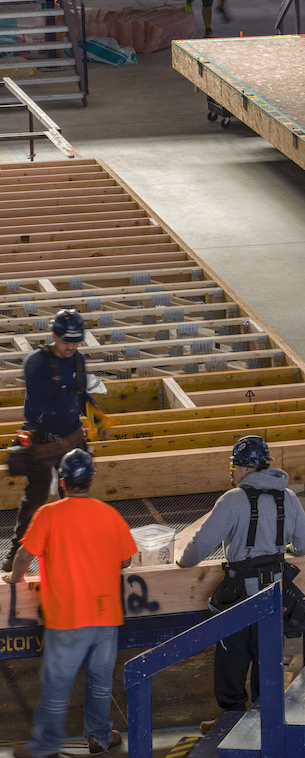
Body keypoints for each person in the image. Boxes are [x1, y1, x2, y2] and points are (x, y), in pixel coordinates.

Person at [4, 448, 137, 758]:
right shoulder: (109, 514)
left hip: (67, 618)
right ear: (91, 480)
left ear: (61, 482)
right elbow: (126, 559)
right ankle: (100, 738)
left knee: (56, 687)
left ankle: (46, 745)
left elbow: (25, 555)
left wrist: (13, 576)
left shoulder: (49, 515)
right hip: (105, 617)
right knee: (100, 684)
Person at [176, 435, 305, 721]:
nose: (230, 472)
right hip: (275, 594)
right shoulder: (287, 497)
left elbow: (199, 547)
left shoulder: (232, 500)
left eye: (233, 465)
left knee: (232, 656)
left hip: (240, 594)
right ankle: (265, 721)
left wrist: (181, 561)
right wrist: (284, 547)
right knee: (267, 656)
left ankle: (231, 719)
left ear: (246, 468)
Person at [5, 309, 105, 574]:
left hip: (71, 437)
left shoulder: (78, 360)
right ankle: (17, 553)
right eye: (65, 341)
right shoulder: (37, 362)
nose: (71, 346)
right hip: (43, 439)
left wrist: (97, 417)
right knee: (35, 499)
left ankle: (77, 552)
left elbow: (80, 396)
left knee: (75, 500)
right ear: (54, 336)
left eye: (75, 341)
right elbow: (37, 407)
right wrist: (38, 446)